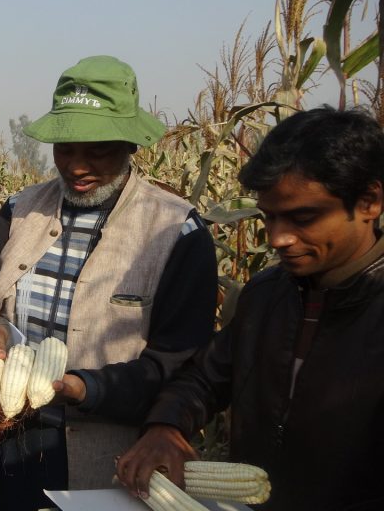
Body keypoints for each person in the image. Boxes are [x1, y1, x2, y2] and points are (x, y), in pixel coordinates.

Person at [0, 55, 217, 511]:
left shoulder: (177, 232)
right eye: (66, 149)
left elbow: (179, 365)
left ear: (130, 144)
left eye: (97, 151)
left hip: (106, 460)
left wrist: (85, 388)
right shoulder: (19, 211)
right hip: (7, 441)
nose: (76, 166)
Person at [116, 107, 384, 511]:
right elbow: (205, 378)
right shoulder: (266, 296)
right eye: (269, 218)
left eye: (302, 218)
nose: (278, 239)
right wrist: (166, 425)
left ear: (369, 201)